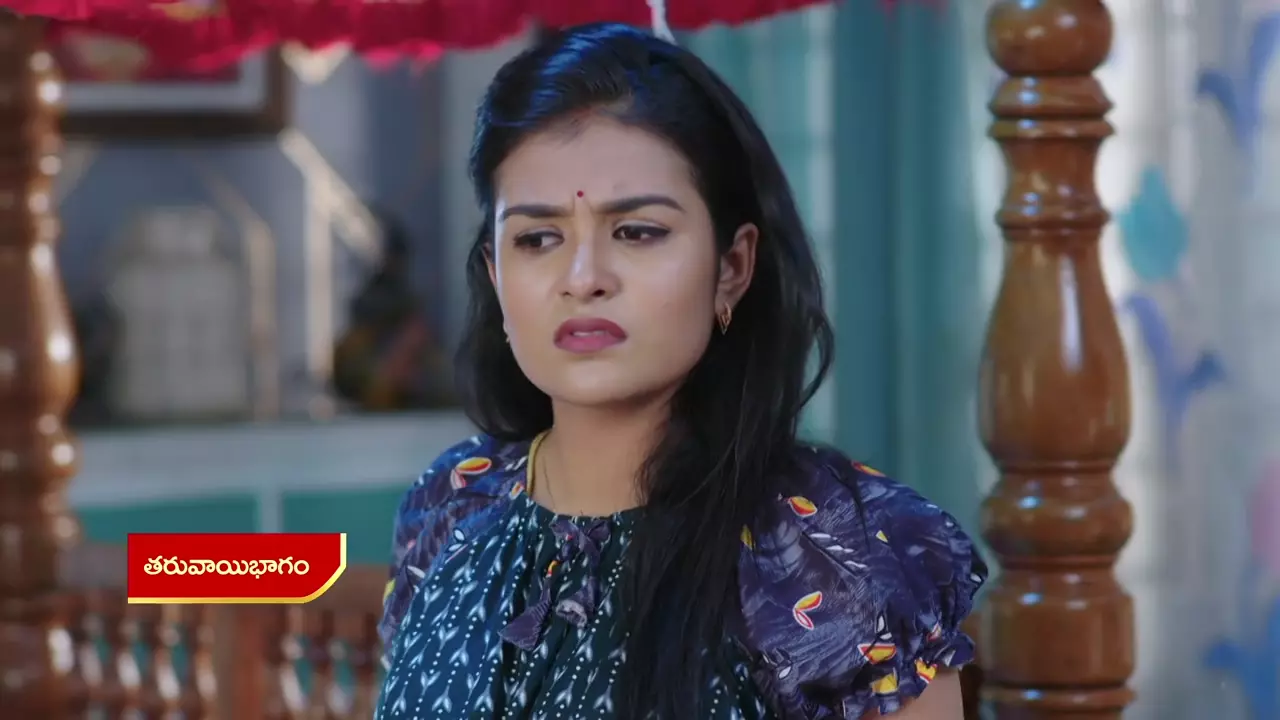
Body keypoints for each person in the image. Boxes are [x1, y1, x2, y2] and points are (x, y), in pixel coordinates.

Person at [376, 22, 986, 720]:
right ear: (495, 273)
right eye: (538, 238)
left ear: (732, 267)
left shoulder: (841, 551)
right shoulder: (452, 503)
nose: (583, 277)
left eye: (637, 232)